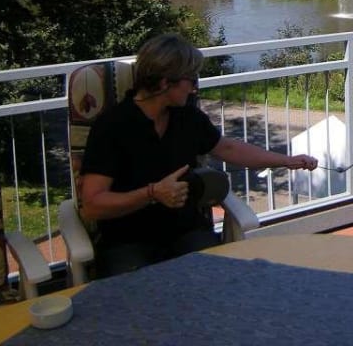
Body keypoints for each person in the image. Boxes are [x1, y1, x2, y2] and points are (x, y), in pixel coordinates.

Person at [79, 33, 318, 277]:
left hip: (186, 232)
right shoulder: (113, 126)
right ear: (164, 83)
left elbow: (228, 148)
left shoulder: (187, 117)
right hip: (128, 240)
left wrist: (287, 161)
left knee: (215, 283)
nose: (195, 87)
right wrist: (152, 193)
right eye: (191, 80)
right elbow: (92, 205)